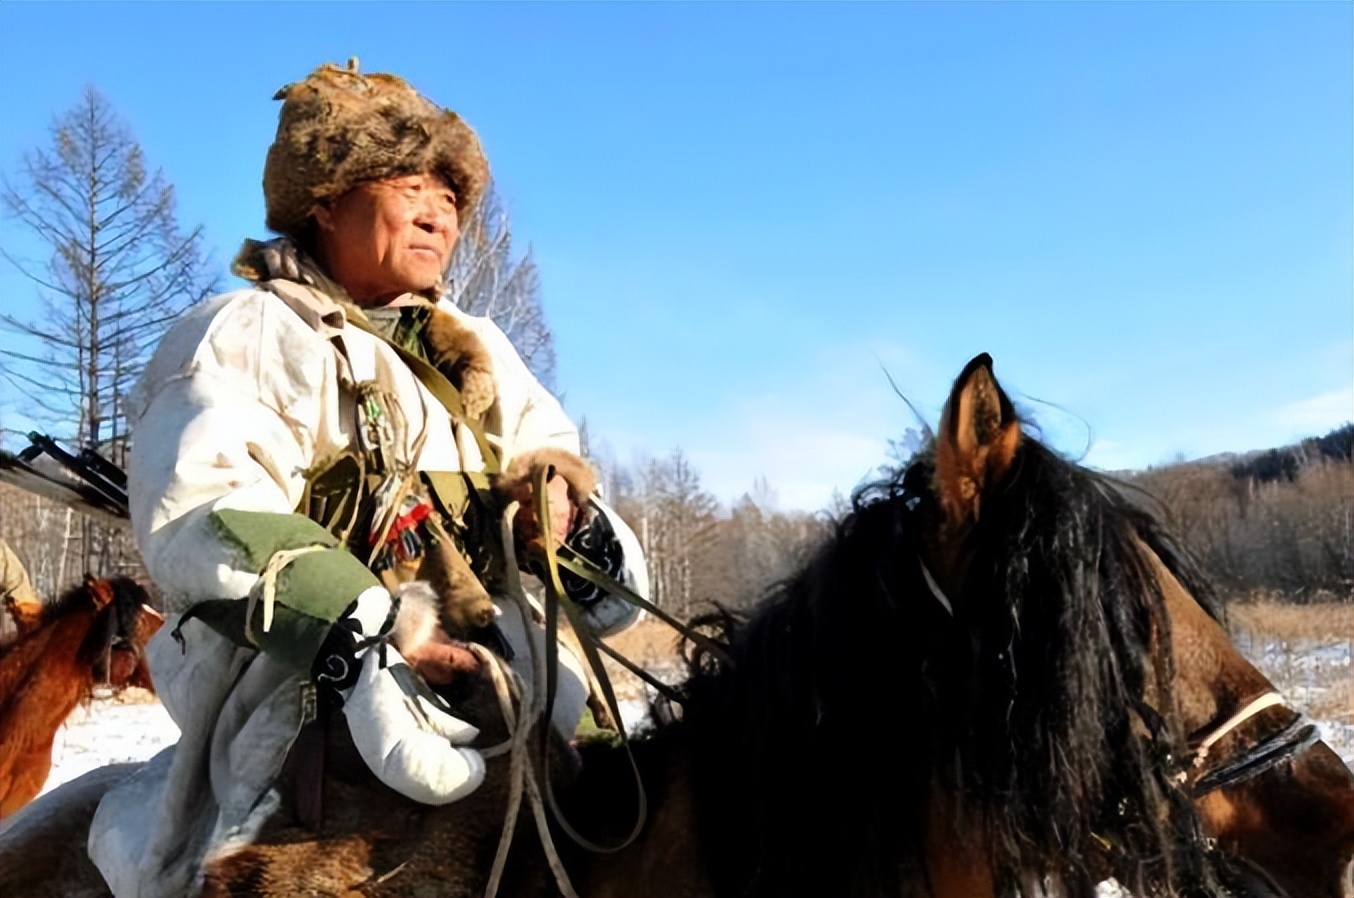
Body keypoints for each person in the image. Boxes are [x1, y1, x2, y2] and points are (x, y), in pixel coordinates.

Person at [87, 60, 647, 897]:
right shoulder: (246, 334)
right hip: (314, 703)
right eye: (410, 185)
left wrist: (567, 518)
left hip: (521, 682)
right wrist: (362, 640)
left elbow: (562, 477)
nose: (438, 215)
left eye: (452, 198)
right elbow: (204, 509)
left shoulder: (481, 353)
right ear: (325, 200)